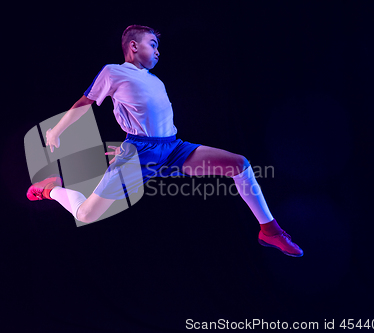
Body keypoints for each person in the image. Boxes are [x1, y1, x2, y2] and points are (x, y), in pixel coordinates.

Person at [27, 25, 303, 257]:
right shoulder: (114, 72)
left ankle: (270, 231)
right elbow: (84, 102)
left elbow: (144, 116)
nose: (158, 51)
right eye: (153, 43)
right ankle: (50, 188)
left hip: (173, 148)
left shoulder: (155, 80)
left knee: (239, 164)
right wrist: (57, 131)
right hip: (140, 153)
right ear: (133, 46)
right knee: (86, 214)